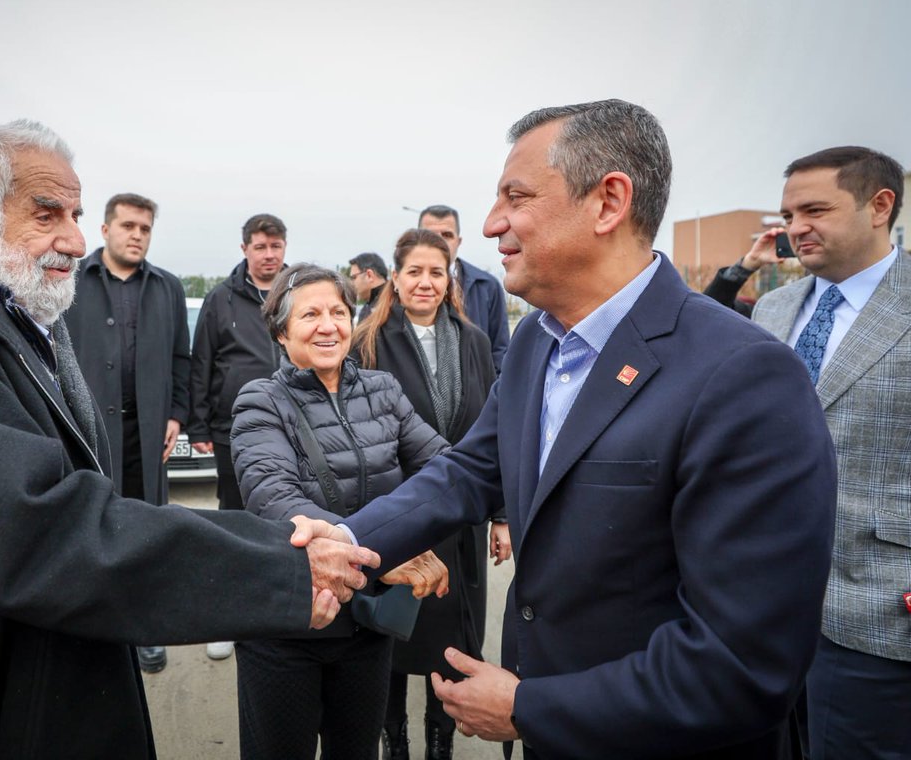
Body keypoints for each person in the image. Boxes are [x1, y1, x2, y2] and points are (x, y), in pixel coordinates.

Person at [0, 120, 380, 759]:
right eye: (46, 214)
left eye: (76, 214)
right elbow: (34, 528)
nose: (73, 237)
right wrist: (279, 566)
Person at [294, 99, 837, 759]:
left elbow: (742, 667)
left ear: (608, 202)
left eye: (516, 197)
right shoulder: (535, 346)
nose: (492, 224)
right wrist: (350, 539)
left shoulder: (745, 377)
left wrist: (528, 707)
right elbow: (468, 472)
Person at [230, 262, 450, 760]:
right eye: (310, 314)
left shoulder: (383, 391)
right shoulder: (260, 402)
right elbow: (273, 497)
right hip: (290, 624)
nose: (328, 325)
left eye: (337, 311)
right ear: (283, 332)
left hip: (368, 629)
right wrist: (381, 551)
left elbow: (444, 467)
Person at [752, 146, 910, 760]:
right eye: (789, 213)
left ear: (880, 206)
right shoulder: (772, 310)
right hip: (760, 611)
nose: (796, 228)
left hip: (879, 614)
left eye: (815, 209)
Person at [352, 228, 503, 760]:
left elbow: (495, 429)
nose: (424, 281)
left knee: (450, 642)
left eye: (435, 272)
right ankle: (394, 741)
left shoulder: (473, 340)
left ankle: (441, 741)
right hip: (398, 516)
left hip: (462, 521)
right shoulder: (366, 341)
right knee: (391, 634)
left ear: (449, 279)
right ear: (395, 277)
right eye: (414, 271)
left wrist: (501, 514)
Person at [64, 191, 189, 674]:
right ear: (104, 230)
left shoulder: (167, 287)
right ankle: (99, 631)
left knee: (145, 530)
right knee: (91, 526)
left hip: (148, 429)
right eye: (128, 226)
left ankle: (145, 632)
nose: (137, 235)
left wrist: (177, 413)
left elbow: (182, 356)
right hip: (88, 428)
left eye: (145, 228)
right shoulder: (71, 278)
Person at [188, 212, 288, 659]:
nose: (269, 255)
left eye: (276, 246)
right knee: (233, 519)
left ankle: (283, 605)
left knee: (288, 520)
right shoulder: (221, 299)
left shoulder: (297, 290)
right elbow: (201, 364)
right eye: (261, 246)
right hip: (234, 432)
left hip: (293, 427)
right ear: (245, 248)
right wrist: (200, 424)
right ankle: (228, 616)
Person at [418, 205, 510, 369]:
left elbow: (500, 351)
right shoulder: (401, 289)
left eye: (447, 235)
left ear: (458, 241)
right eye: (430, 235)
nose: (439, 242)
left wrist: (491, 390)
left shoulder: (487, 286)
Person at [702, 225, 785, 316]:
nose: (796, 229)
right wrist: (748, 263)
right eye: (788, 217)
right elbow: (709, 310)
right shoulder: (768, 314)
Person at [347, 251, 388, 322]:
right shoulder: (368, 307)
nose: (351, 283)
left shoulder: (391, 307)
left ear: (369, 275)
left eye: (354, 277)